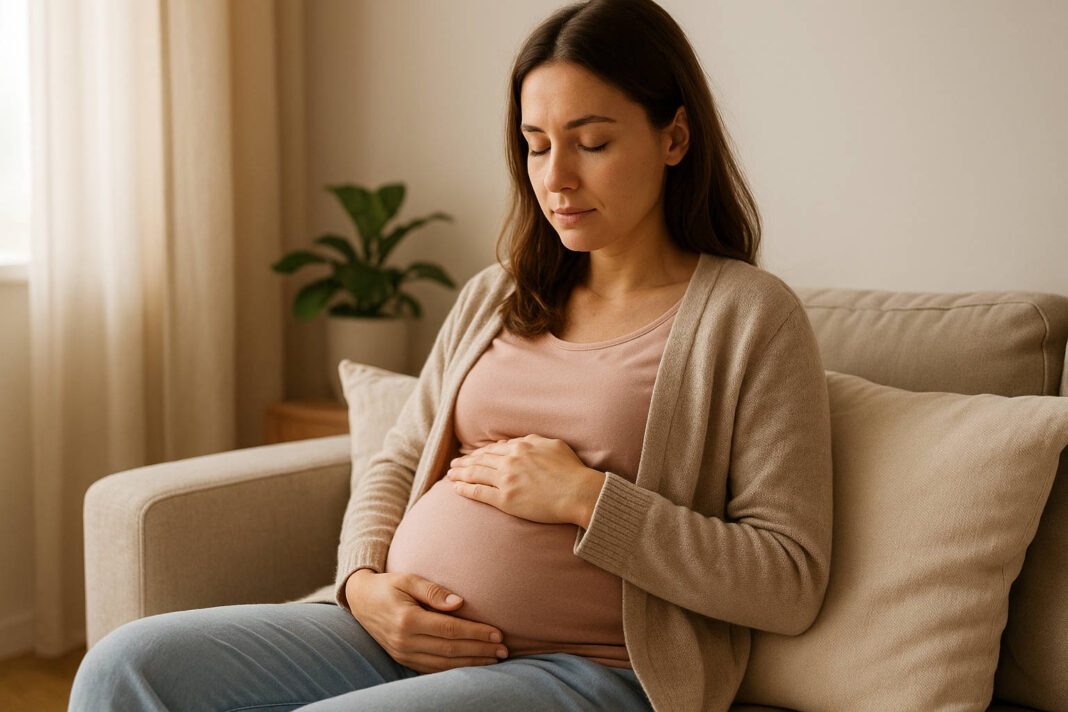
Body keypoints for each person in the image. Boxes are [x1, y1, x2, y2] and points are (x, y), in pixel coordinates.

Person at [69, 0, 833, 710]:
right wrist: (365, 583)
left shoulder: (748, 318)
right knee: (124, 668)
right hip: (391, 637)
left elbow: (788, 579)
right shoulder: (498, 294)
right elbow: (397, 461)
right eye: (536, 147)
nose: (556, 180)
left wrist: (586, 499)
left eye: (592, 143)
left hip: (588, 669)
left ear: (674, 136)